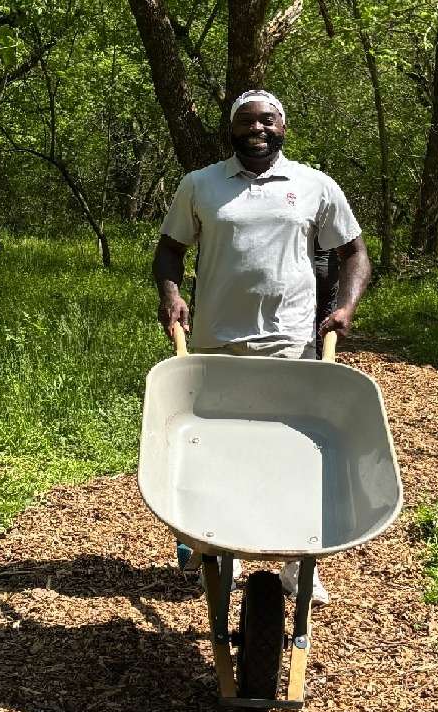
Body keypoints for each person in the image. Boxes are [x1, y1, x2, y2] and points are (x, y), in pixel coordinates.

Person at [152, 89, 371, 605]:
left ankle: (299, 562)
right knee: (215, 449)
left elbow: (354, 252)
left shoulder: (313, 185)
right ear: (231, 130)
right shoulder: (201, 185)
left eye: (268, 120)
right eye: (246, 121)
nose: (258, 129)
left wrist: (345, 307)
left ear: (283, 128)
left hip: (290, 346)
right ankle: (211, 546)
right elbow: (169, 249)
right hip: (214, 346)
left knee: (294, 452)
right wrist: (172, 295)